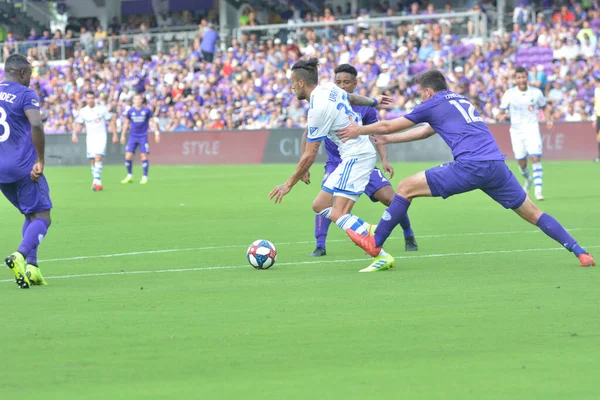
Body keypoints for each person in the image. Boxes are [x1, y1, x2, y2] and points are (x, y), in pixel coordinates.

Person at [338, 70, 595, 268]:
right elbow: (427, 131)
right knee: (534, 213)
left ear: (427, 92)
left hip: (470, 166)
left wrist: (359, 129)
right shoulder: (460, 100)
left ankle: (376, 242)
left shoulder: (432, 103)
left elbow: (387, 125)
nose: (420, 97)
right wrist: (388, 141)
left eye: (420, 93)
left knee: (405, 187)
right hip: (496, 166)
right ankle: (580, 252)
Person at [269, 58, 396, 272]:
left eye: (292, 82)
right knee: (319, 205)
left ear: (301, 83)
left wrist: (288, 184)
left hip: (356, 156)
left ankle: (379, 254)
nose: (291, 87)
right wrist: (373, 101)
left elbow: (310, 154)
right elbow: (352, 97)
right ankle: (367, 229)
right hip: (352, 155)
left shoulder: (318, 109)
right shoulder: (328, 88)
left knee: (339, 213)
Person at [301, 63, 418, 257]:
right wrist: (304, 165)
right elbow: (308, 134)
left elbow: (377, 134)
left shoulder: (366, 109)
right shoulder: (327, 101)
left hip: (361, 160)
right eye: (338, 82)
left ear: (355, 84)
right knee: (324, 202)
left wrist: (385, 160)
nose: (342, 86)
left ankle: (408, 232)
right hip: (336, 163)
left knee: (390, 198)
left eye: (346, 82)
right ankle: (320, 244)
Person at [0, 54, 52, 288]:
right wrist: (40, 159)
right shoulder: (25, 93)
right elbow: (36, 124)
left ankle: (32, 268)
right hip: (22, 167)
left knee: (30, 214)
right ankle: (19, 256)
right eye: (29, 74)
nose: (31, 79)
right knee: (43, 217)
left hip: (2, 171)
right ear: (22, 73)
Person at [497, 66, 553, 200]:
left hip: (532, 128)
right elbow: (501, 111)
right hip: (516, 131)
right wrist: (501, 116)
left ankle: (538, 191)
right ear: (515, 79)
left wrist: (548, 119)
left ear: (527, 78)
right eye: (518, 77)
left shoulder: (536, 93)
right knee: (522, 162)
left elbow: (545, 107)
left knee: (535, 157)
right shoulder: (509, 94)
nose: (521, 80)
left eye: (523, 77)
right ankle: (528, 180)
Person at [72, 91, 117, 191]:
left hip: (101, 136)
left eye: (92, 98)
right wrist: (75, 134)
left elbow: (110, 121)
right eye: (88, 98)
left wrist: (114, 134)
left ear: (95, 98)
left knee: (98, 156)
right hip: (90, 137)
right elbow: (80, 124)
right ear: (86, 99)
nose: (90, 100)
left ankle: (96, 181)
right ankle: (97, 181)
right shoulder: (83, 111)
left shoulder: (102, 109)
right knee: (92, 160)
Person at [120, 94, 160, 184]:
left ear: (141, 100)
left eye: (139, 99)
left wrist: (156, 133)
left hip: (143, 136)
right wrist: (122, 135)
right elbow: (126, 123)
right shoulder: (130, 111)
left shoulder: (146, 110)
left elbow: (152, 122)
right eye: (135, 99)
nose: (137, 100)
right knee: (128, 156)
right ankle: (129, 176)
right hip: (133, 136)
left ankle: (144, 177)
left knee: (143, 156)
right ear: (133, 100)